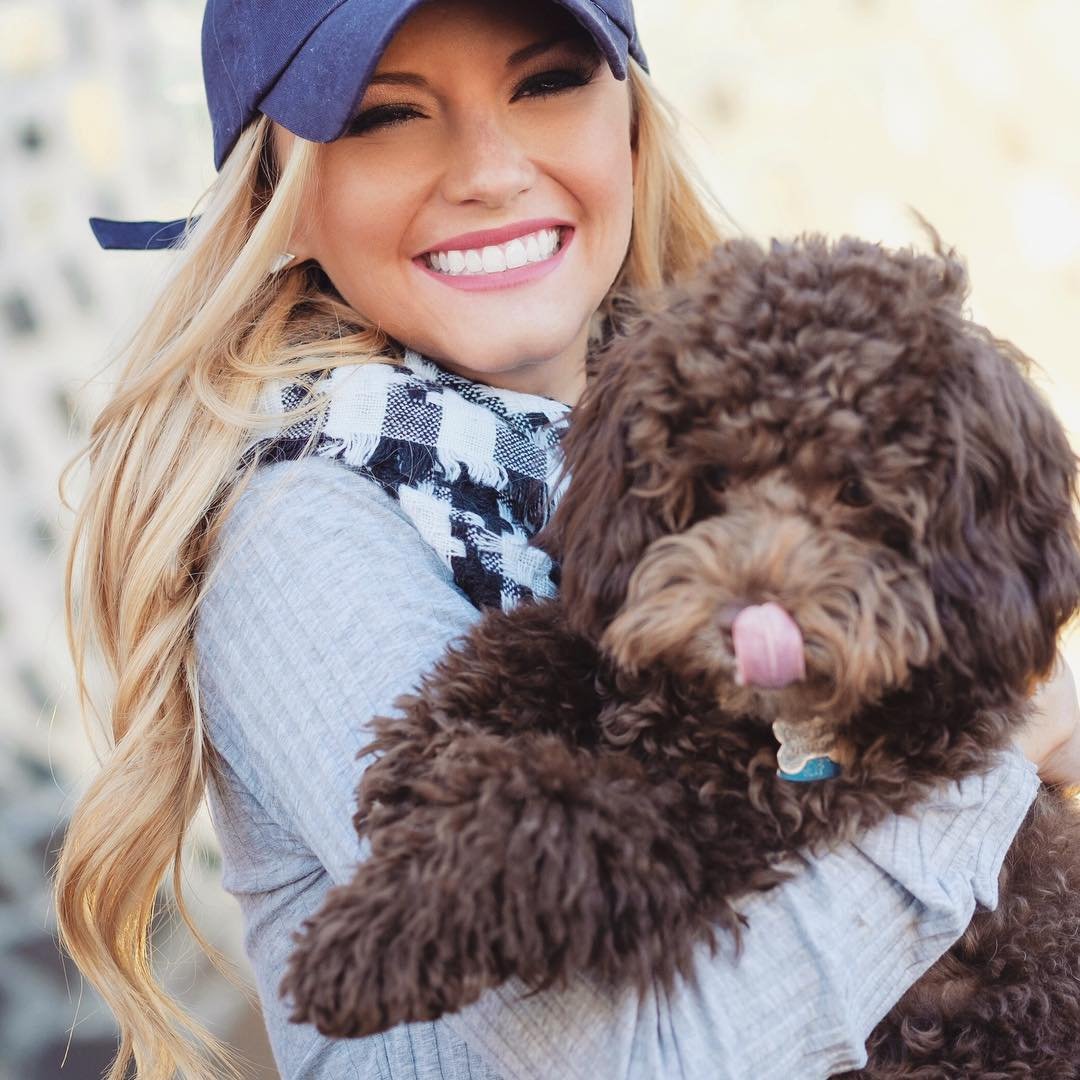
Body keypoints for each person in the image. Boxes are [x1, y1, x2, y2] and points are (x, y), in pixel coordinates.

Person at [53, 0, 1080, 1077]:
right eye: (382, 115)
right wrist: (985, 762)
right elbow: (632, 1059)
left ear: (630, 121)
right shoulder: (310, 526)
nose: (489, 171)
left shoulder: (712, 410)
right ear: (279, 198)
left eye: (544, 83)